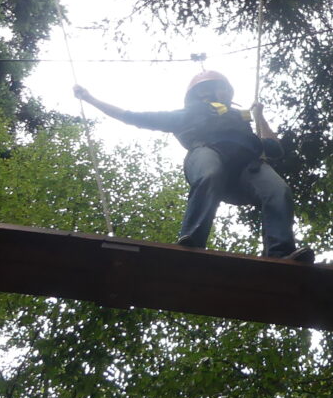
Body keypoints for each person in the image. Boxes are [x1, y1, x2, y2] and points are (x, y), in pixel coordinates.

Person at [73, 71, 315, 262]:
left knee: (278, 190)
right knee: (210, 173)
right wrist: (90, 98)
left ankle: (281, 252)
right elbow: (132, 116)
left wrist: (259, 115)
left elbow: (275, 148)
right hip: (208, 154)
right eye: (220, 88)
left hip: (247, 169)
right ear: (203, 93)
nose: (225, 93)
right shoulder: (189, 115)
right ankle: (192, 241)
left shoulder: (241, 120)